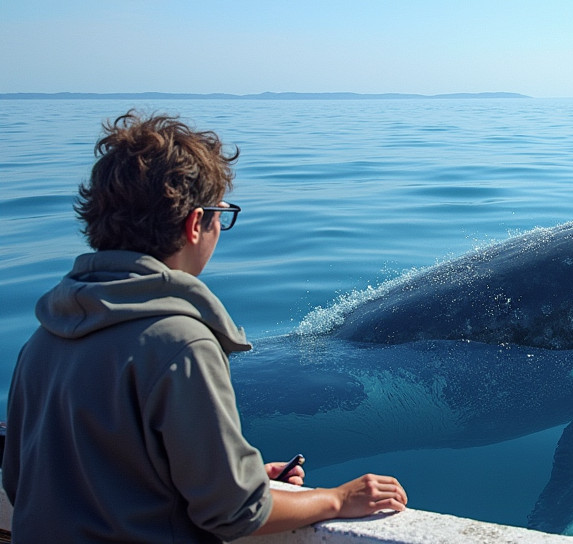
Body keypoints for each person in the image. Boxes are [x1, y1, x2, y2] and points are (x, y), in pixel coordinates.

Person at [1, 111, 407, 542]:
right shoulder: (179, 344)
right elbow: (234, 512)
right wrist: (338, 499)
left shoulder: (44, 339)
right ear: (196, 223)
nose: (220, 227)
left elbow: (20, 482)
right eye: (221, 214)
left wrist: (237, 473)